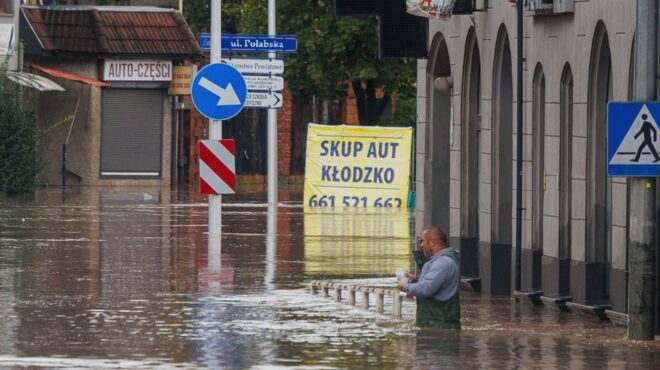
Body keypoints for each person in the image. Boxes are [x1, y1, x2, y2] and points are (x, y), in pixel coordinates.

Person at [396, 225, 460, 329]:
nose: (421, 245)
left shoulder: (443, 263)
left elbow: (425, 289)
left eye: (422, 241)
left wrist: (405, 286)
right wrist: (416, 280)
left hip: (439, 331)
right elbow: (432, 285)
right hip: (434, 327)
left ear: (432, 242)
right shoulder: (440, 262)